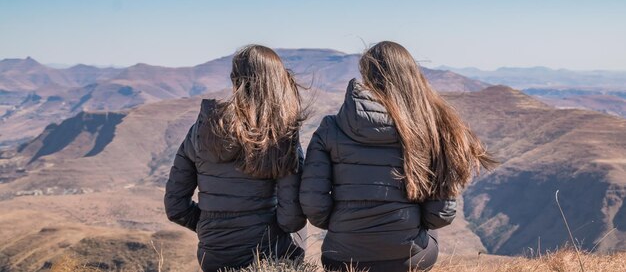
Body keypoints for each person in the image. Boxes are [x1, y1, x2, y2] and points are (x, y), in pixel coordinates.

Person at [300, 41, 497, 272]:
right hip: (408, 260)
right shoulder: (430, 129)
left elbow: (313, 205)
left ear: (367, 75)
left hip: (341, 259)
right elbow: (440, 214)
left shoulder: (330, 127)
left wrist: (342, 226)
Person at [164, 45, 307, 272]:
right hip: (268, 256)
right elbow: (291, 220)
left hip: (213, 257)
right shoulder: (280, 135)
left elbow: (175, 207)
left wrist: (211, 227)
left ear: (235, 79)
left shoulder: (200, 130)